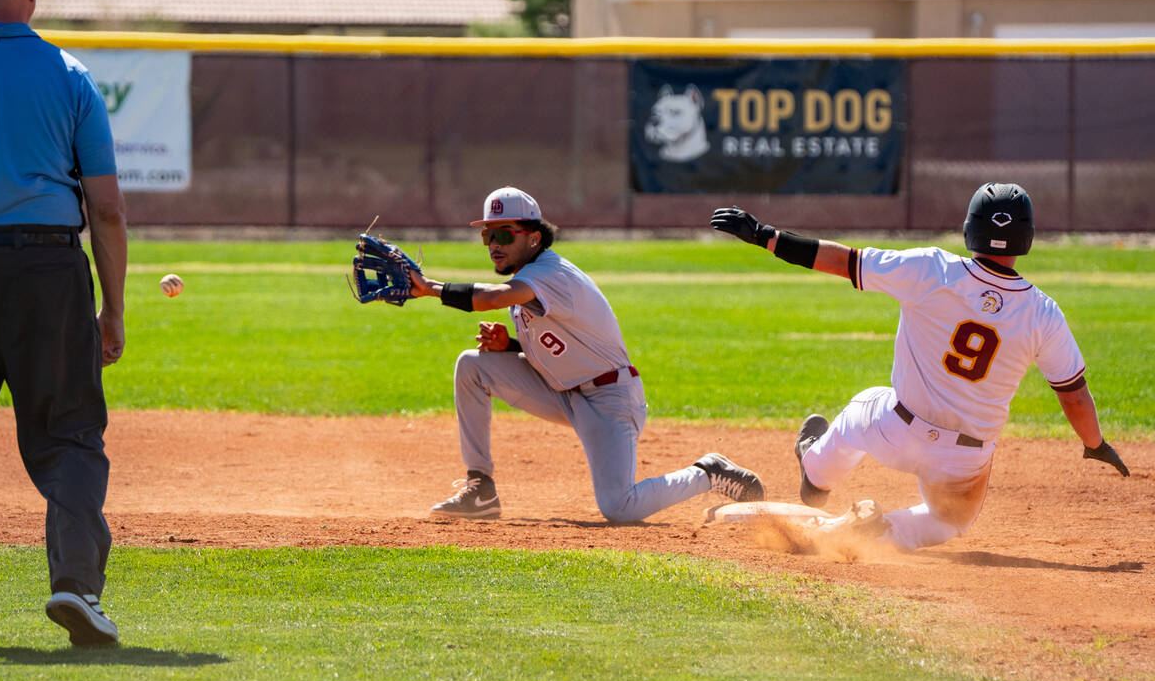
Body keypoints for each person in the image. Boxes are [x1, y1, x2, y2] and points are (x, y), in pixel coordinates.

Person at [710, 183, 1130, 551]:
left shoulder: (932, 268)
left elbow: (840, 260)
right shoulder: (1043, 312)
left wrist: (766, 236)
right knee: (949, 521)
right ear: (1028, 237)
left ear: (970, 228)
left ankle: (816, 474)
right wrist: (1095, 443)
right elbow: (1073, 395)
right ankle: (879, 532)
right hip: (965, 461)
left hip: (896, 431)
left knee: (866, 404)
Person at [0, 0, 128, 645]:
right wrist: (112, 309)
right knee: (68, 438)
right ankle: (74, 587)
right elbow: (108, 208)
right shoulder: (70, 75)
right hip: (48, 269)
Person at [410, 186, 764, 521]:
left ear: (533, 236)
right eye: (488, 235)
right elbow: (563, 346)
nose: (493, 245)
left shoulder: (550, 274)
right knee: (473, 366)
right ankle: (480, 490)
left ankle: (708, 473)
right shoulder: (528, 277)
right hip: (563, 392)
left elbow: (492, 298)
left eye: (504, 234)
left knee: (619, 506)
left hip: (610, 399)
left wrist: (430, 289)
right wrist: (510, 347)